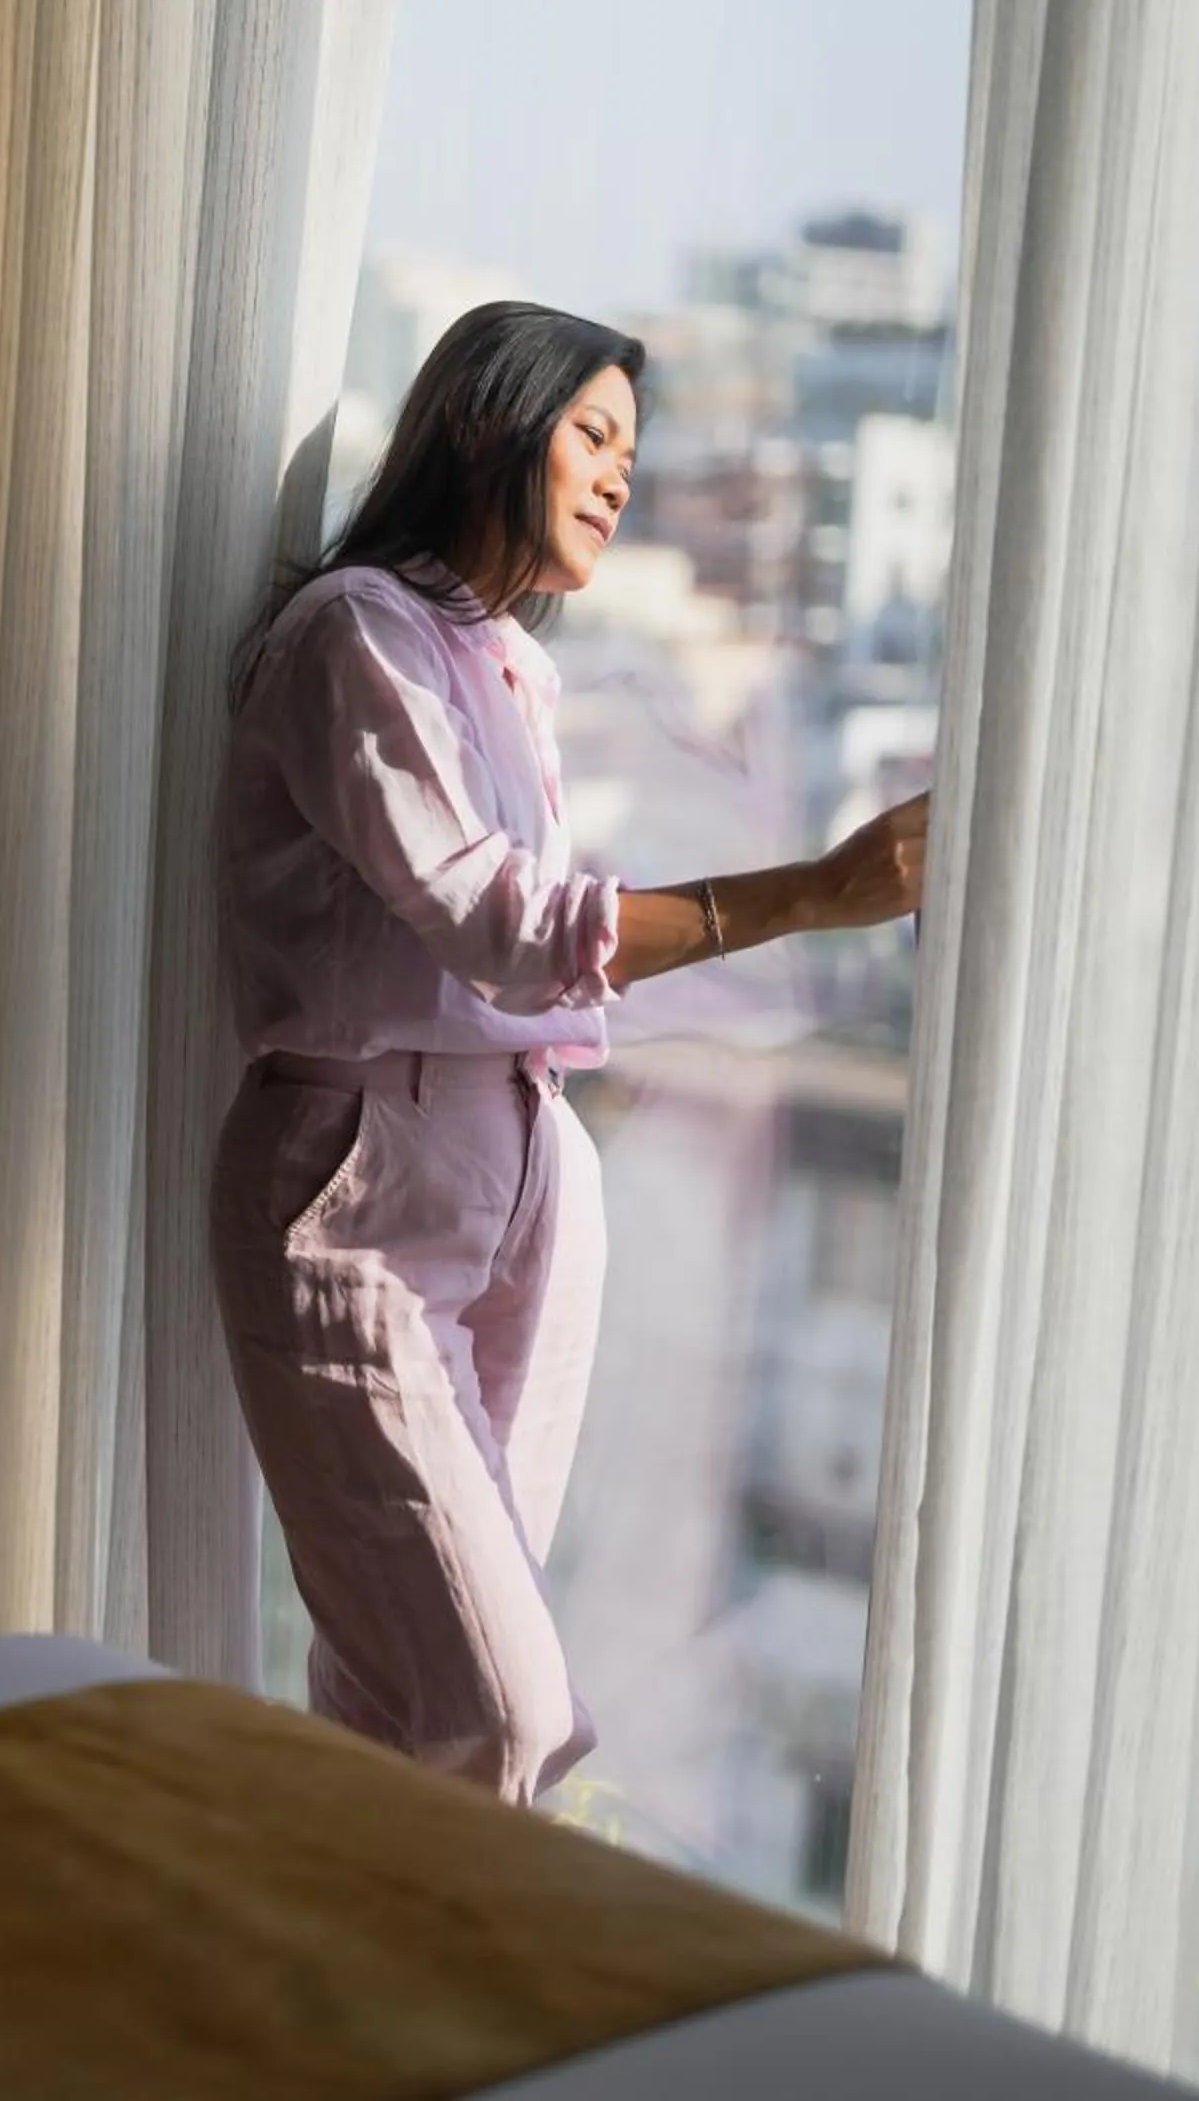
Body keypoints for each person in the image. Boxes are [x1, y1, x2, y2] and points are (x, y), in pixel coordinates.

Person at [209, 300, 928, 1804]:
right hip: (362, 1198)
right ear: (490, 423)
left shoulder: (509, 670)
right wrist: (811, 895)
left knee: (400, 1703)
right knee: (507, 1714)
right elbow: (504, 924)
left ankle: (352, 2016)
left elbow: (533, 967)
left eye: (632, 451)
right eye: (593, 435)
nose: (618, 477)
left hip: (518, 1180)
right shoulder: (357, 636)